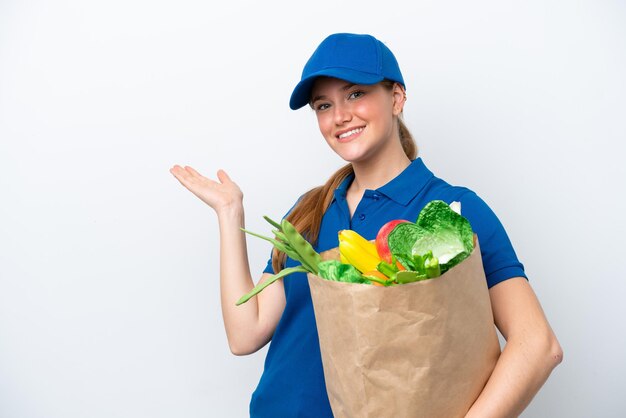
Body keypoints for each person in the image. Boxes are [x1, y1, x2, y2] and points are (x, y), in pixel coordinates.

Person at [170, 33, 563, 417]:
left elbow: (538, 345)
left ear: (396, 98)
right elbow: (245, 334)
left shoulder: (454, 210)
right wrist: (229, 213)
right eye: (323, 105)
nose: (339, 116)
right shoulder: (309, 211)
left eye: (355, 94)